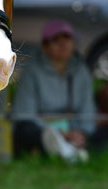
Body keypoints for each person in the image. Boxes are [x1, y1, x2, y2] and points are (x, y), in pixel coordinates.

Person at [11, 19, 97, 162]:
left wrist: (81, 133)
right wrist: (60, 134)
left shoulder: (82, 70)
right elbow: (24, 113)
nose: (63, 45)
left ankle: (70, 149)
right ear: (45, 46)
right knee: (26, 131)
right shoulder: (31, 71)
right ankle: (64, 150)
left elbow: (87, 108)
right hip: (41, 128)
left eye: (67, 39)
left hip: (73, 128)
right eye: (56, 40)